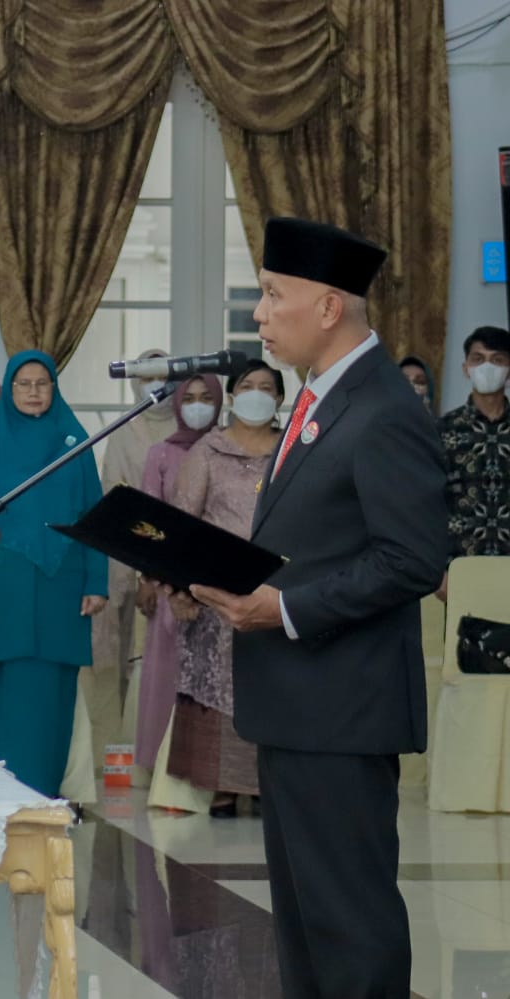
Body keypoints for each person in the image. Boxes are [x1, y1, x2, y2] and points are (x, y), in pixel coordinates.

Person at [189, 218, 447, 997]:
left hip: (344, 706)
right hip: (298, 704)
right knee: (305, 928)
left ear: (329, 307)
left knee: (350, 926)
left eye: (274, 295)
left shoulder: (383, 407)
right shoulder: (318, 398)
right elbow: (319, 537)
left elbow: (413, 558)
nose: (260, 313)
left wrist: (287, 609)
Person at [0, 350, 108, 797]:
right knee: (8, 688)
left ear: (54, 388)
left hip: (63, 582)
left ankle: (44, 796)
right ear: (10, 389)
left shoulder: (73, 439)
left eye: (43, 383)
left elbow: (94, 517)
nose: (34, 392)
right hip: (3, 584)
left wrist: (96, 582)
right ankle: (6, 794)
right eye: (24, 384)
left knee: (54, 691)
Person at [165, 360, 284, 817]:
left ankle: (265, 784)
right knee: (219, 685)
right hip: (215, 594)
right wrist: (180, 589)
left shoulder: (291, 452)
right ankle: (222, 786)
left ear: (279, 399)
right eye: (247, 386)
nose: (256, 394)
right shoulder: (207, 452)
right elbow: (181, 525)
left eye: (266, 387)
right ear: (232, 397)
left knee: (273, 684)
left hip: (276, 591)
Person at [132, 375, 224, 777]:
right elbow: (147, 521)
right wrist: (147, 578)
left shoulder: (227, 450)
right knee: (166, 673)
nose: (198, 405)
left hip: (221, 581)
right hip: (170, 581)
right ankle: (165, 771)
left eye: (207, 397)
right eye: (190, 398)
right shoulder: (161, 454)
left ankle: (216, 771)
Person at [89, 348, 176, 760]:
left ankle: (157, 752)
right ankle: (119, 750)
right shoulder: (123, 431)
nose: (156, 384)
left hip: (176, 555)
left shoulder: (190, 427)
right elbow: (113, 494)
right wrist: (139, 562)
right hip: (124, 553)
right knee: (118, 653)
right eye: (147, 376)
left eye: (163, 375)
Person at [436, 326, 510, 586]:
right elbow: (426, 502)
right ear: (466, 368)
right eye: (478, 359)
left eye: (497, 360)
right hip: (458, 571)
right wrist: (437, 571)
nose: (487, 367)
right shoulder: (442, 430)